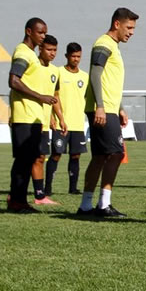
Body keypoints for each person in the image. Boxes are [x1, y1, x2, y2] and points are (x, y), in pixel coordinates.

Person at [77, 8, 138, 219]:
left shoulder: (112, 46)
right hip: (102, 109)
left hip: (109, 108)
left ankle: (86, 206)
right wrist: (101, 106)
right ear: (116, 24)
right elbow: (95, 73)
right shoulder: (104, 43)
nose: (131, 32)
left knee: (101, 156)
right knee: (116, 153)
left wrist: (119, 107)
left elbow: (108, 81)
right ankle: (103, 204)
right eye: (129, 27)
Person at [6, 18, 58, 213]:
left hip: (34, 117)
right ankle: (16, 201)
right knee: (23, 160)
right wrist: (40, 96)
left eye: (45, 32)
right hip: (25, 116)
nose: (43, 36)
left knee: (28, 159)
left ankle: (18, 199)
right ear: (29, 31)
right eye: (40, 32)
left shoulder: (31, 55)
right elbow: (13, 80)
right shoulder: (23, 53)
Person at [47, 42, 88, 196]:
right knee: (56, 154)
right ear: (67, 56)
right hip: (60, 124)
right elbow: (52, 96)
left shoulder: (85, 76)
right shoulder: (58, 72)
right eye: (73, 56)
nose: (76, 59)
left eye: (78, 56)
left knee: (75, 156)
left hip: (77, 123)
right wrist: (51, 117)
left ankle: (73, 188)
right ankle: (48, 188)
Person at [31, 35, 66, 206]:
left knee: (40, 157)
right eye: (49, 50)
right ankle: (21, 193)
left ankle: (39, 195)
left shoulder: (55, 71)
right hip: (29, 119)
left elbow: (55, 96)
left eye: (55, 50)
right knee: (29, 158)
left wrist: (60, 118)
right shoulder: (32, 65)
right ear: (40, 49)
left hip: (45, 121)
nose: (52, 53)